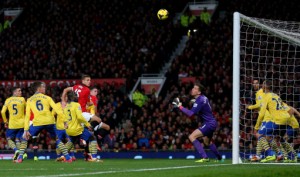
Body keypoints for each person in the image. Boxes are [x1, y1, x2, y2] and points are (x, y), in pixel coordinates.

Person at [23, 81, 72, 163]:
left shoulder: (29, 100)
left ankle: (20, 157)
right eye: (43, 87)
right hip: (50, 121)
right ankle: (68, 157)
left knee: (24, 137)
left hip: (38, 122)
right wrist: (65, 121)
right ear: (39, 89)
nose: (45, 88)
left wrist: (26, 129)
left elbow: (27, 115)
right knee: (56, 139)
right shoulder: (48, 98)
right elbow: (57, 110)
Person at [172, 83, 222, 162]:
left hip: (209, 123)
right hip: (212, 122)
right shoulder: (203, 98)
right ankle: (219, 158)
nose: (192, 89)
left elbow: (190, 114)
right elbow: (202, 105)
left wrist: (179, 106)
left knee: (192, 136)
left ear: (199, 92)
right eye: (193, 88)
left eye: (195, 88)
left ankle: (205, 158)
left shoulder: (199, 100)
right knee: (207, 142)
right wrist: (195, 101)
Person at [255, 80, 292, 162]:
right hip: (286, 119)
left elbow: (261, 114)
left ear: (264, 87)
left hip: (277, 119)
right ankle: (287, 156)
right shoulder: (276, 95)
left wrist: (257, 126)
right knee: (272, 137)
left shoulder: (266, 96)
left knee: (259, 134)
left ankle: (271, 154)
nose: (261, 86)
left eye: (262, 85)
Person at [64, 91, 101, 162]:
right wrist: (88, 124)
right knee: (92, 138)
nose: (77, 97)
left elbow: (65, 120)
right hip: (77, 129)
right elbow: (80, 117)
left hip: (69, 129)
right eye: (75, 95)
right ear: (73, 97)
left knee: (71, 142)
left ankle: (64, 156)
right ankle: (93, 158)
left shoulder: (66, 107)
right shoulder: (76, 105)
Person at [246, 79, 274, 162]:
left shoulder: (261, 91)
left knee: (259, 135)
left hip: (266, 117)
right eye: (253, 84)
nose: (255, 85)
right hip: (265, 117)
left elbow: (260, 104)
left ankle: (271, 153)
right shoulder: (259, 93)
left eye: (256, 83)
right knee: (265, 137)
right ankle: (258, 155)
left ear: (260, 84)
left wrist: (250, 107)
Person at [1, 87, 27, 162]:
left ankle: (16, 150)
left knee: (9, 138)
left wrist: (6, 122)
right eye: (19, 91)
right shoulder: (22, 99)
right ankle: (21, 154)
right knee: (20, 139)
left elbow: (2, 112)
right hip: (22, 123)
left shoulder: (8, 100)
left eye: (21, 90)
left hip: (12, 124)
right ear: (14, 92)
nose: (21, 92)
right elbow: (27, 109)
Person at [52, 94, 76, 161]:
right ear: (61, 97)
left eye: (66, 96)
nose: (65, 97)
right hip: (59, 128)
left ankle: (72, 155)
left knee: (70, 141)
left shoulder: (70, 105)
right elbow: (52, 115)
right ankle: (59, 156)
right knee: (58, 142)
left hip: (68, 127)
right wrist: (53, 124)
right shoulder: (56, 105)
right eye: (64, 96)